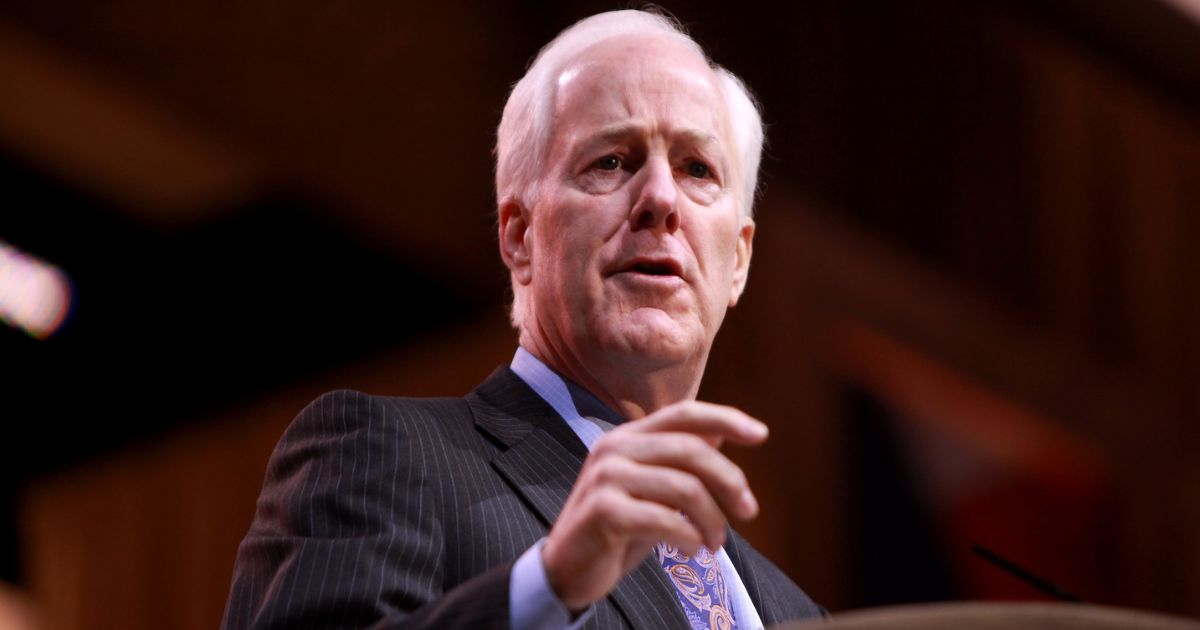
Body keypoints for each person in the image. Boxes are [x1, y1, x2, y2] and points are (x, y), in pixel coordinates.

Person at [222, 9, 824, 629]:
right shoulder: (382, 456)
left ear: (739, 261)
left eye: (697, 168)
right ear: (519, 236)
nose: (661, 200)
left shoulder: (799, 613)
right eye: (612, 161)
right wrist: (550, 585)